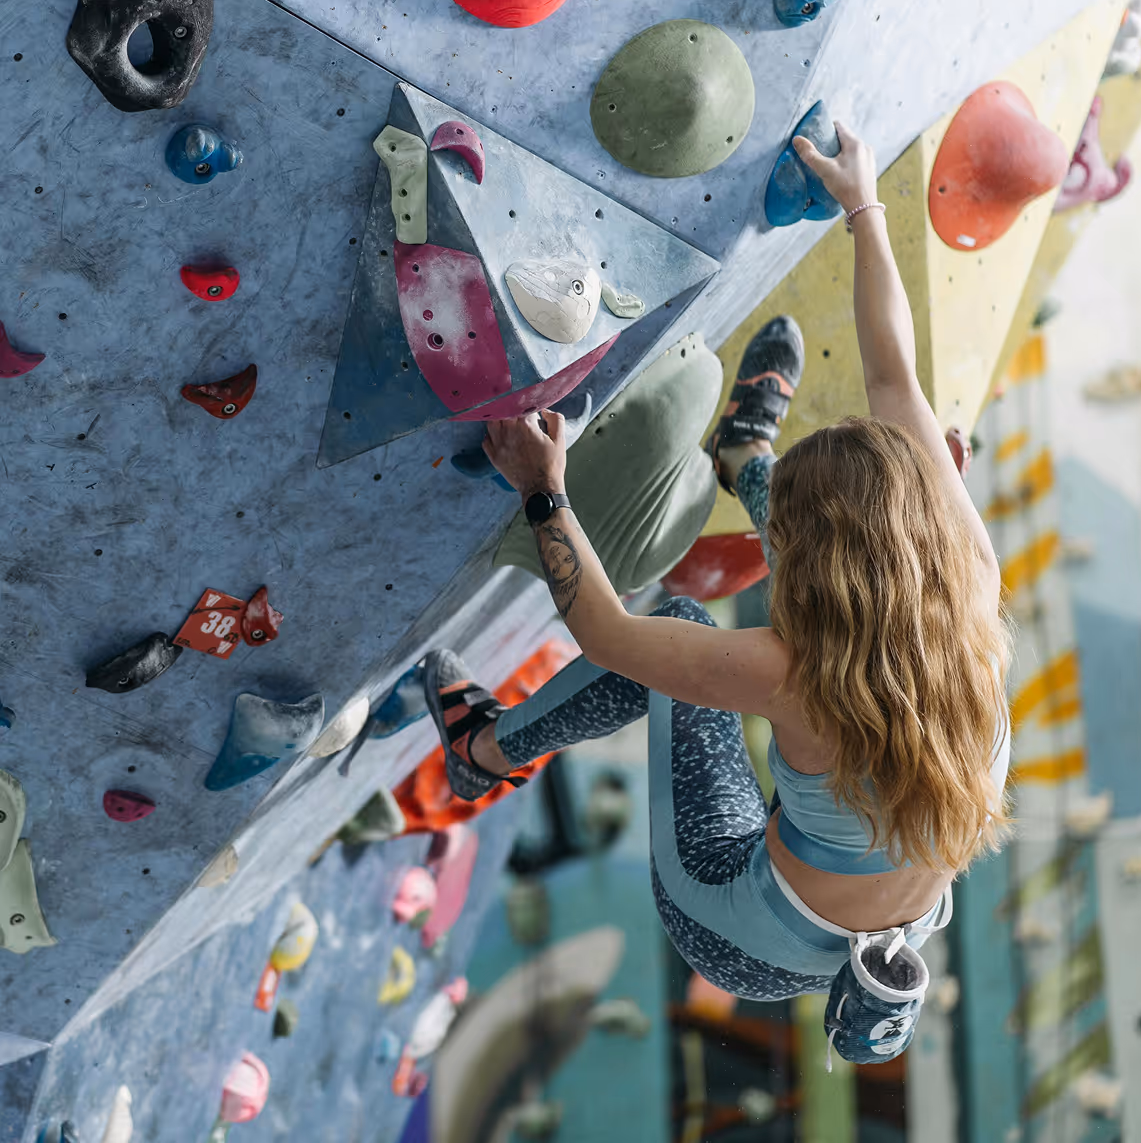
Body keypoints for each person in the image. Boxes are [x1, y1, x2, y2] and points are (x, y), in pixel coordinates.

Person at [422, 122, 1013, 1061]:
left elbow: (613, 636)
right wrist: (863, 205)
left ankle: (481, 750)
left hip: (742, 931)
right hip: (873, 917)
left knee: (677, 629)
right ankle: (747, 457)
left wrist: (544, 485)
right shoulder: (966, 578)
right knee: (843, 559)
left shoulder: (794, 677)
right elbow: (895, 370)